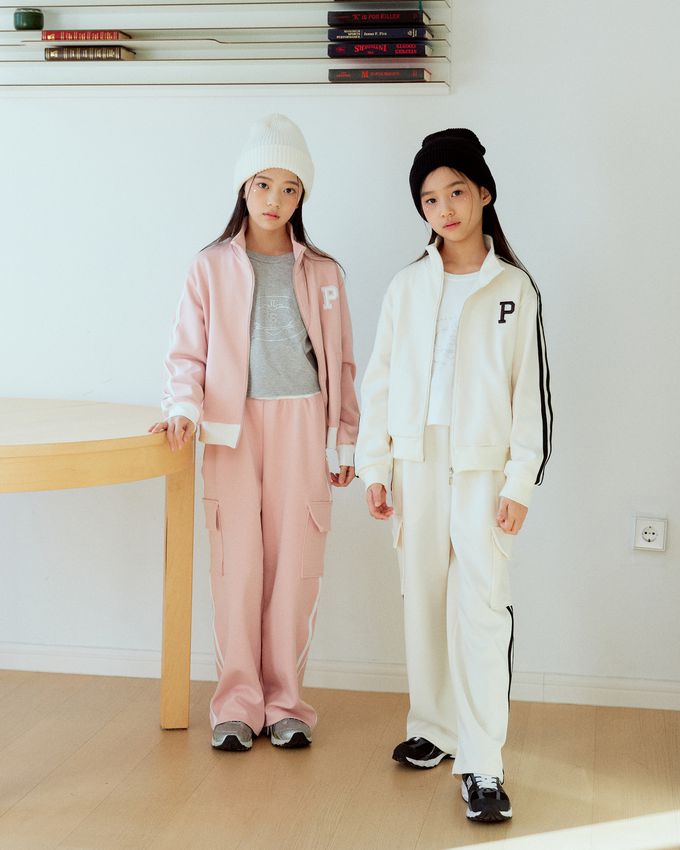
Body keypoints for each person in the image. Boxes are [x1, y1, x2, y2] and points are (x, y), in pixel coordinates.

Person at [355, 128, 552, 822]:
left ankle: (482, 762)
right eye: (430, 199)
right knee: (423, 599)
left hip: (481, 468)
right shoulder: (406, 286)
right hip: (415, 461)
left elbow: (530, 394)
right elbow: (380, 381)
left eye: (456, 192)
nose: (445, 209)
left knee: (481, 609)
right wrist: (375, 465)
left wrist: (519, 482)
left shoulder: (513, 288)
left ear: (483, 195)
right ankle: (434, 729)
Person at [150, 114, 359, 753]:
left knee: (295, 567)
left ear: (302, 197)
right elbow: (187, 353)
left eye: (290, 188)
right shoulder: (210, 266)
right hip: (230, 427)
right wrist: (182, 407)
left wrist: (344, 438)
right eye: (264, 184)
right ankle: (238, 705)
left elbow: (342, 362)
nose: (275, 199)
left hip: (303, 422)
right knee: (236, 567)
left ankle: (286, 704)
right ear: (244, 187)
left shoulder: (324, 271)